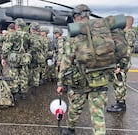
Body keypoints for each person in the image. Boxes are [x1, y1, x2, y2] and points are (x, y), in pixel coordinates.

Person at [56, 4, 132, 135]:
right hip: (100, 80)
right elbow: (122, 50)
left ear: (77, 17)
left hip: (78, 81)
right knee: (98, 114)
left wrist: (60, 83)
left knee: (75, 108)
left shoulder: (74, 35)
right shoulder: (104, 31)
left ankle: (70, 129)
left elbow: (66, 62)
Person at [107, 16, 136, 112]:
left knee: (120, 81)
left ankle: (121, 104)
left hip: (123, 61)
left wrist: (121, 65)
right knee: (119, 81)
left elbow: (126, 50)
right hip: (124, 61)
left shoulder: (129, 33)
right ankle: (120, 102)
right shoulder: (127, 32)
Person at [2, 18, 30, 100]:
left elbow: (6, 48)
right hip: (24, 58)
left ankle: (15, 93)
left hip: (14, 58)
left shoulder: (12, 34)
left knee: (14, 75)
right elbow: (29, 46)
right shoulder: (27, 35)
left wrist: (3, 58)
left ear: (16, 26)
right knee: (23, 74)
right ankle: (24, 93)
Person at [29, 22, 45, 87]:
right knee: (36, 71)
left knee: (30, 71)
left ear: (32, 29)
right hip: (39, 58)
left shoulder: (29, 37)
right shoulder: (41, 38)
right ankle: (36, 85)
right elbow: (44, 48)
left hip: (31, 57)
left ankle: (30, 84)